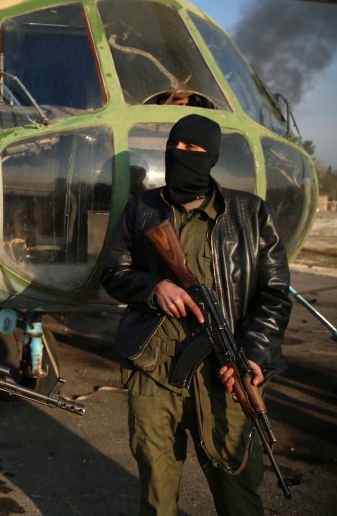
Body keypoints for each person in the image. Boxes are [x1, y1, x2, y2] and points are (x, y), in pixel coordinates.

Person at [100, 113, 291, 516]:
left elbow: (274, 295)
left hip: (225, 373)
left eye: (191, 148)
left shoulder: (251, 215)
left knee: (237, 487)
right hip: (155, 370)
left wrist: (253, 351)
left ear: (211, 157)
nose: (179, 154)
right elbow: (113, 274)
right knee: (156, 487)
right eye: (174, 146)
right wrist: (154, 288)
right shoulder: (142, 209)